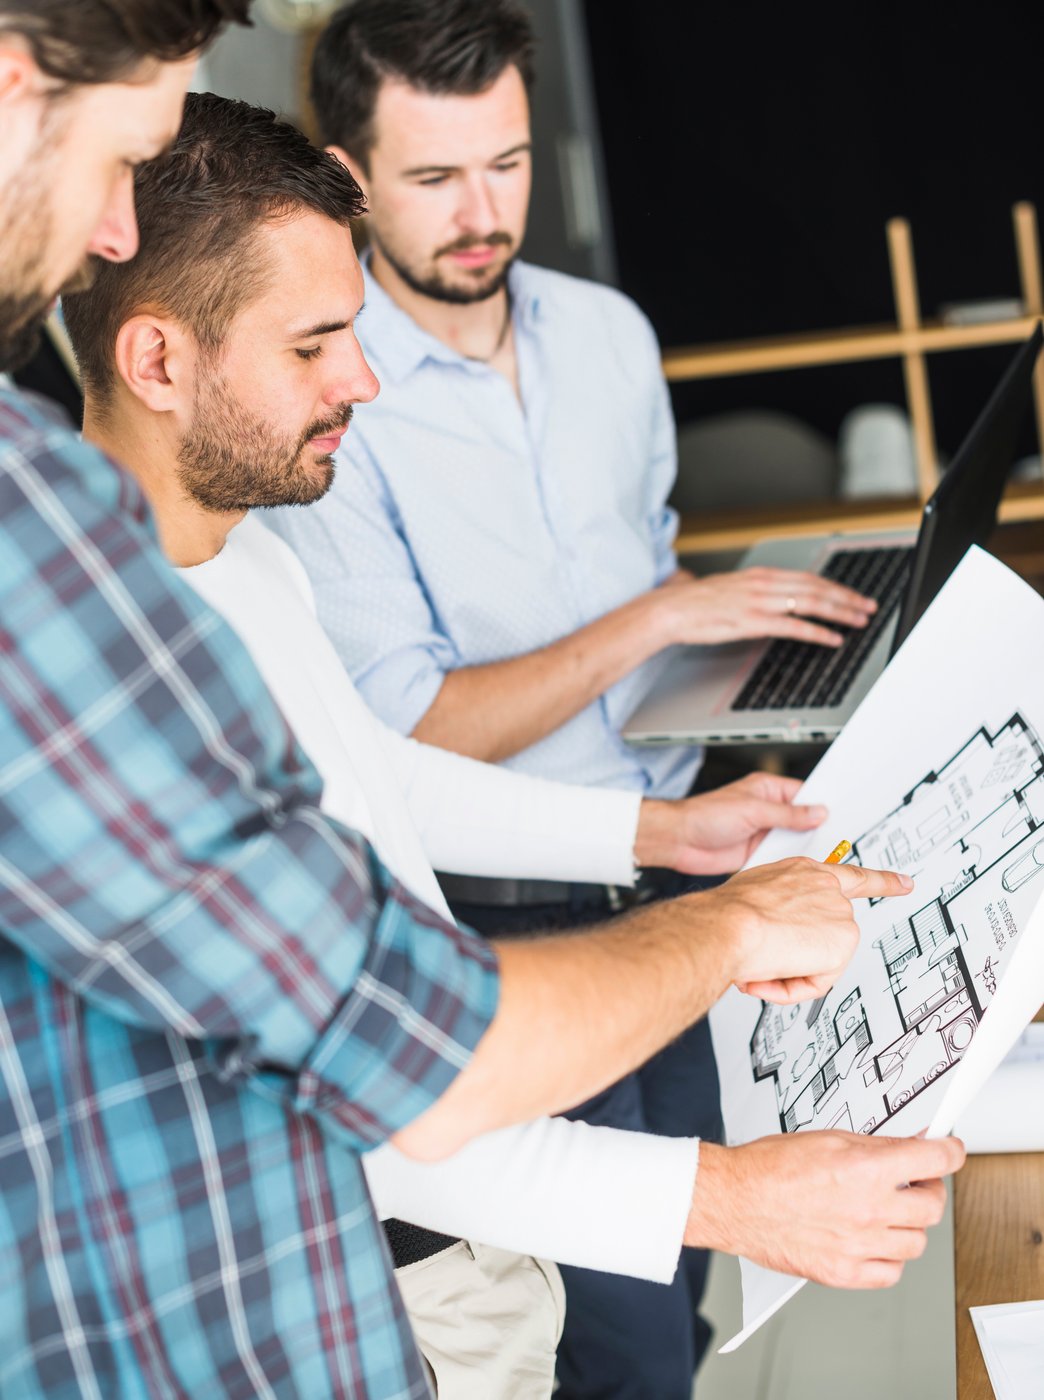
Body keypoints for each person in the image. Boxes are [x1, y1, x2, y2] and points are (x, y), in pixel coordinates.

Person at [0, 7, 961, 1395]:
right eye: (316, 346)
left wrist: (651, 837)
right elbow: (391, 1078)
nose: (364, 379)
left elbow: (375, 773)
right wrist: (734, 1186)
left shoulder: (249, 558)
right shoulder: (112, 641)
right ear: (157, 363)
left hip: (463, 1231)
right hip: (374, 1273)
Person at [266, 2, 880, 1391]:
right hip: (508, 929)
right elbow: (410, 732)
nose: (484, 214)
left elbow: (650, 593)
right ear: (348, 177)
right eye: (436, 177)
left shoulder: (607, 333)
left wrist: (748, 647)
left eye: (508, 163)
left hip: (676, 874)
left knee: (689, 1300)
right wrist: (655, 618)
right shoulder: (329, 401)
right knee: (620, 1349)